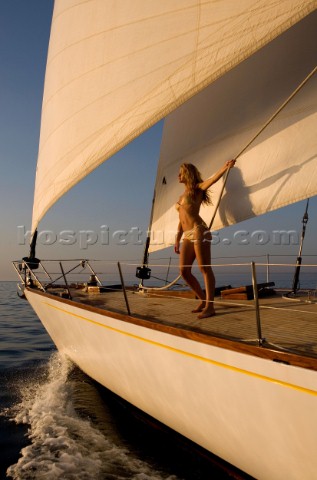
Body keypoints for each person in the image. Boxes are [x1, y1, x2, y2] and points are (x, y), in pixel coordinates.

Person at [174, 160, 235, 319]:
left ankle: (210, 306)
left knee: (204, 268)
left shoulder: (197, 189)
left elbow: (212, 180)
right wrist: (177, 239)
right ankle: (202, 299)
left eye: (180, 173)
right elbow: (181, 220)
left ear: (187, 173)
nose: (178, 176)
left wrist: (225, 167)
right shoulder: (181, 196)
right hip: (187, 235)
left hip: (199, 230)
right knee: (184, 271)